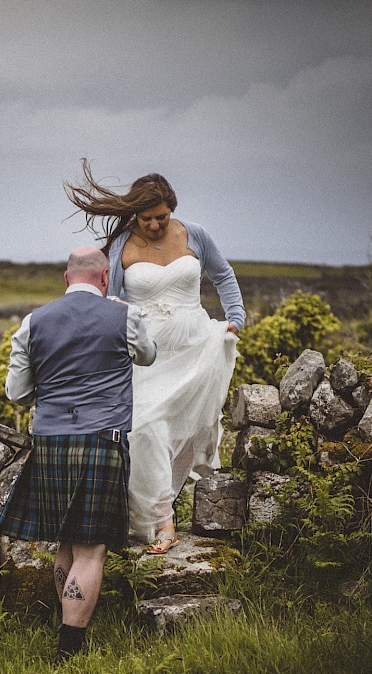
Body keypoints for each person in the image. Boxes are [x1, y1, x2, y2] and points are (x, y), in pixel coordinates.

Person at [64, 159, 244, 554]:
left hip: (196, 344)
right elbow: (109, 297)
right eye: (147, 218)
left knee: (193, 427)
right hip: (147, 353)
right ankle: (161, 518)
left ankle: (183, 511)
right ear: (135, 215)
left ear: (171, 211)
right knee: (144, 428)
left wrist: (236, 318)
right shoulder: (120, 246)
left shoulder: (195, 234)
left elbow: (223, 274)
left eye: (161, 217)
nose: (154, 225)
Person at [0, 245, 156, 659]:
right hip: (102, 441)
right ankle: (70, 648)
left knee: (65, 543)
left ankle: (67, 626)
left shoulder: (33, 321)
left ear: (67, 279)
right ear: (105, 278)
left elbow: (17, 393)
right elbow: (148, 355)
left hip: (50, 442)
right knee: (91, 549)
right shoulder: (124, 315)